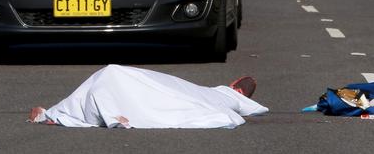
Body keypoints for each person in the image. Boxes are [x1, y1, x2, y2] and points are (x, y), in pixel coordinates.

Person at [28, 64, 267, 129]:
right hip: (128, 82)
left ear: (234, 87)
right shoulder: (220, 95)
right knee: (114, 77)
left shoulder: (220, 94)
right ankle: (106, 111)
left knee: (114, 76)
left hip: (121, 80)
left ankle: (58, 113)